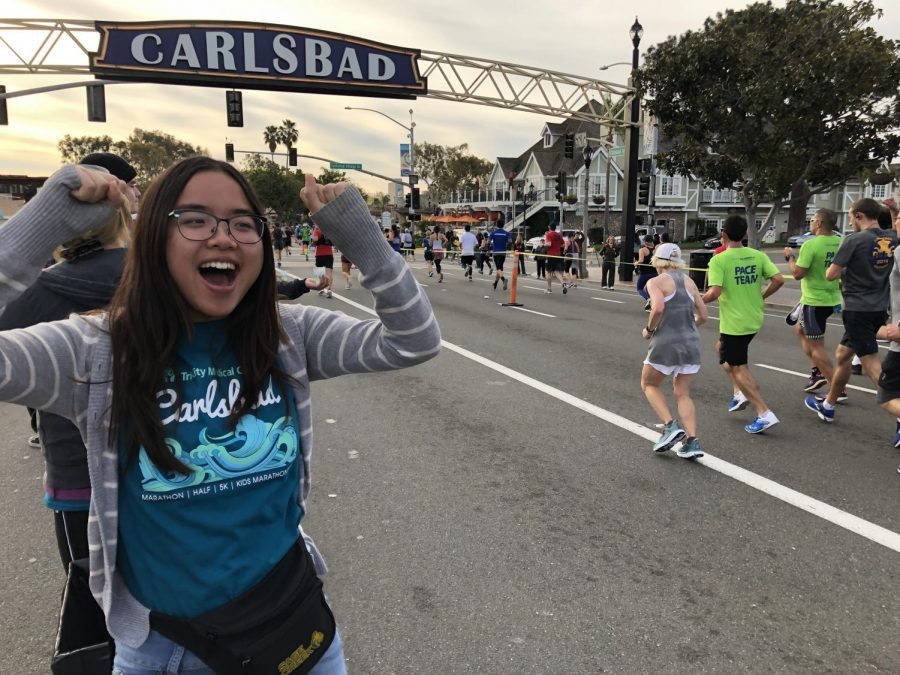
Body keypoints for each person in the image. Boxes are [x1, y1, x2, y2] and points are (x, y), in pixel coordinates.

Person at [0, 158, 441, 674]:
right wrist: (41, 225)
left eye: (242, 223)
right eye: (195, 220)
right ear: (153, 239)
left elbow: (414, 340)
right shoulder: (94, 351)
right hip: (168, 652)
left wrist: (360, 236)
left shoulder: (286, 334)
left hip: (294, 629)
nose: (223, 237)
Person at [0, 152, 136, 571]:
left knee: (90, 609)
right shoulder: (159, 277)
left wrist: (40, 221)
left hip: (76, 473)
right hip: (160, 472)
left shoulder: (39, 290)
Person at [805, 198, 897, 424]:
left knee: (870, 362)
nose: (850, 221)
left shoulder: (854, 240)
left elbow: (831, 274)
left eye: (850, 216)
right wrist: (894, 211)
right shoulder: (892, 237)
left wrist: (847, 269)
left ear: (859, 216)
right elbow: (896, 227)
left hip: (857, 308)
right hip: (879, 306)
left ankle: (894, 407)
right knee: (843, 355)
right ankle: (828, 405)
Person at [702, 214, 784, 434]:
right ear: (745, 234)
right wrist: (762, 295)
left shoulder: (719, 260)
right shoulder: (757, 255)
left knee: (739, 368)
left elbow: (714, 292)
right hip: (753, 317)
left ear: (724, 234)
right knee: (721, 349)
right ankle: (739, 393)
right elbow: (779, 279)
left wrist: (694, 301)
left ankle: (764, 413)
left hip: (734, 322)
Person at [641, 243, 708, 458]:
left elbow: (658, 307)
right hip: (691, 343)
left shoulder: (655, 282)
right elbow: (704, 316)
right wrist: (687, 328)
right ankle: (692, 441)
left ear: (657, 261)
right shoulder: (690, 282)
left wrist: (649, 329)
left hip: (666, 342)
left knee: (649, 383)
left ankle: (670, 426)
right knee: (682, 393)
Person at [783, 208, 842, 393]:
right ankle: (818, 371)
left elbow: (797, 274)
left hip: (814, 301)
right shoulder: (841, 242)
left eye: (813, 219)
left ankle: (836, 387)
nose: (810, 222)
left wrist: (790, 257)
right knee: (800, 330)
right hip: (832, 298)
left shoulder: (811, 245)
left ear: (820, 223)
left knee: (816, 345)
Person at [312, 221, 335, 298]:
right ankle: (328, 289)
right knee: (329, 273)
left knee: (319, 272)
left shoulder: (318, 231)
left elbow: (315, 239)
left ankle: (321, 287)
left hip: (319, 254)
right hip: (329, 254)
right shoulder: (330, 232)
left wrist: (315, 230)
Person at [543, 223, 567, 294]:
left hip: (551, 255)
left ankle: (549, 289)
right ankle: (563, 283)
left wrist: (543, 244)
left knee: (548, 272)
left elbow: (549, 244)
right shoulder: (559, 235)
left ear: (549, 227)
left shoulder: (549, 234)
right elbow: (563, 244)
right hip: (558, 255)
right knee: (557, 272)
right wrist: (557, 246)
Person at [636, 235, 658, 311]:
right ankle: (650, 304)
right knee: (649, 288)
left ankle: (648, 299)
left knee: (640, 288)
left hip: (645, 273)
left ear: (645, 241)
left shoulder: (642, 250)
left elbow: (641, 260)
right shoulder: (655, 250)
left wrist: (636, 263)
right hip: (655, 272)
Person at [488, 224, 511, 291]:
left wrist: (489, 248)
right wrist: (506, 245)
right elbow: (510, 241)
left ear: (497, 225)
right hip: (503, 253)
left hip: (496, 253)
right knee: (500, 269)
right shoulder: (507, 233)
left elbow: (488, 241)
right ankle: (495, 283)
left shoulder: (494, 233)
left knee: (498, 268)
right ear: (503, 225)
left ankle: (504, 279)